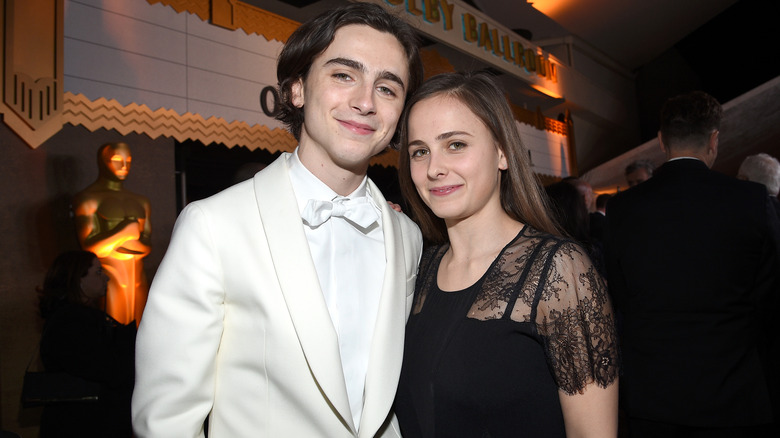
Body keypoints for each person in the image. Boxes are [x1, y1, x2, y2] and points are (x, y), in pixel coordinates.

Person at [132, 3, 424, 437]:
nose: (365, 102)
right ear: (298, 90)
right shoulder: (213, 226)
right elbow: (167, 421)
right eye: (344, 75)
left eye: (387, 88)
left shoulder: (408, 236)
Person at [394, 71, 620, 438]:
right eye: (420, 151)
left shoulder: (559, 271)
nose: (433, 169)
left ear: (501, 152)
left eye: (455, 145)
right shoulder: (419, 268)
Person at [605, 91, 779, 437]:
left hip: (654, 396)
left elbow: (619, 294)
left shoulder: (623, 208)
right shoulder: (752, 201)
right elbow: (771, 296)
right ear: (714, 140)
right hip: (736, 393)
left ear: (661, 140)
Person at [37, 250, 136, 438]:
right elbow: (108, 368)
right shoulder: (70, 323)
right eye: (98, 272)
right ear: (77, 279)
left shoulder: (73, 319)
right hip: (83, 426)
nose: (106, 278)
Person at [72, 142, 151, 326]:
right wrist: (123, 232)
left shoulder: (141, 201)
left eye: (128, 161)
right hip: (107, 275)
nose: (124, 167)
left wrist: (130, 240)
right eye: (117, 160)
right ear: (103, 162)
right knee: (112, 327)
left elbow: (147, 243)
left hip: (138, 275)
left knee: (142, 328)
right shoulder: (88, 199)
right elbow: (89, 247)